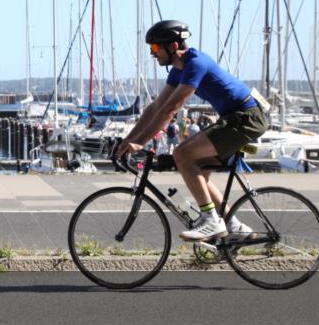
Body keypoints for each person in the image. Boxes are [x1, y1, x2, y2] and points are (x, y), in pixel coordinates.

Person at [114, 20, 268, 241]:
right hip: (234, 117)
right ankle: (234, 227)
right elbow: (156, 107)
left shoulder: (196, 63)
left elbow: (171, 109)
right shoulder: (178, 71)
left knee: (182, 154)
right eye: (151, 49)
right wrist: (129, 140)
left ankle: (211, 222)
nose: (152, 54)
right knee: (198, 173)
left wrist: (141, 142)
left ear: (173, 46)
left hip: (247, 117)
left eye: (155, 48)